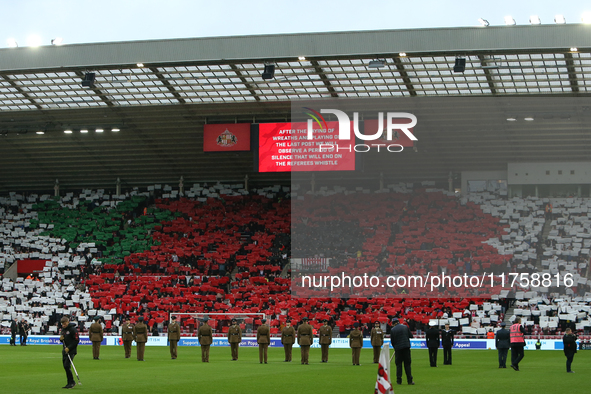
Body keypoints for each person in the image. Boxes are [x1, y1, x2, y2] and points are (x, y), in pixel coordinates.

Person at [390, 318, 414, 385]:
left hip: (398, 349)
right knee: (407, 365)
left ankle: (399, 381)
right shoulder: (405, 327)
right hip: (406, 347)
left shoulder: (393, 330)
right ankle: (409, 380)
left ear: (394, 323)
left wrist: (395, 347)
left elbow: (392, 341)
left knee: (398, 365)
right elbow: (411, 336)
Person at [59, 316, 79, 389]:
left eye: (64, 324)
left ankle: (71, 382)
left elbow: (76, 340)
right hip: (64, 350)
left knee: (67, 365)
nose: (63, 325)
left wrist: (69, 348)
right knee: (65, 366)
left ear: (68, 322)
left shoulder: (73, 330)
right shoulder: (63, 330)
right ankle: (69, 382)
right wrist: (61, 339)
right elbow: (63, 340)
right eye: (62, 324)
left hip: (71, 351)